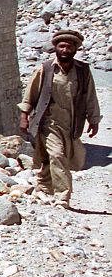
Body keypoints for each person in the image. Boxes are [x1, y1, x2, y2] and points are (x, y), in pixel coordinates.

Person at [18, 29, 101, 205]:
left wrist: (94, 120)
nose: (65, 50)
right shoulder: (46, 69)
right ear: (56, 48)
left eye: (69, 47)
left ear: (75, 50)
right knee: (57, 155)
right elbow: (30, 95)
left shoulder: (83, 71)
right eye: (61, 46)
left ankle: (43, 187)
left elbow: (90, 97)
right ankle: (63, 196)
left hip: (72, 123)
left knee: (55, 157)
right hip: (49, 122)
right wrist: (24, 116)